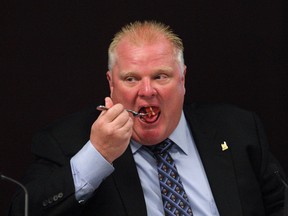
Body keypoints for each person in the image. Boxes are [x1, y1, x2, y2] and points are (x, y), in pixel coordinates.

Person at [9, 20, 286, 216]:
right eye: (131, 79)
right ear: (111, 84)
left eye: (160, 76)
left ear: (182, 78)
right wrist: (98, 155)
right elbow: (22, 210)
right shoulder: (66, 140)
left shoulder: (238, 129)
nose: (146, 91)